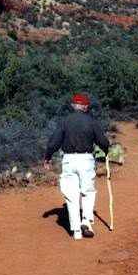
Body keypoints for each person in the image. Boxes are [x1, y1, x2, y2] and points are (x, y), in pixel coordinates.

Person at [44, 93, 109, 240]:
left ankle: (76, 231)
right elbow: (103, 141)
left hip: (68, 160)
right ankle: (86, 221)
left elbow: (53, 142)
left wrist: (48, 157)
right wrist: (106, 152)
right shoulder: (91, 121)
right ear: (86, 107)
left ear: (73, 106)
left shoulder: (65, 121)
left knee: (71, 196)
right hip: (86, 160)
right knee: (88, 192)